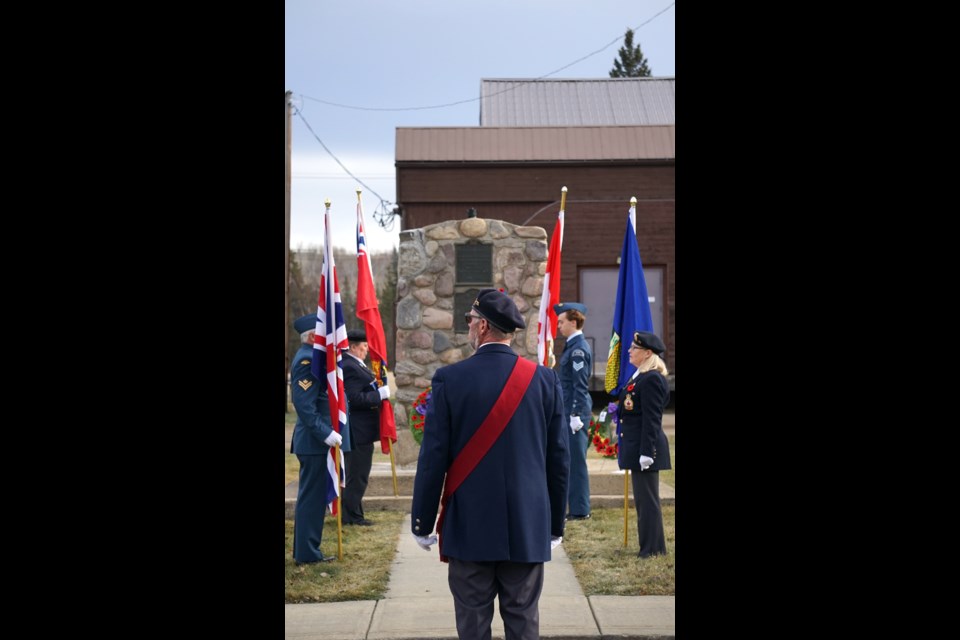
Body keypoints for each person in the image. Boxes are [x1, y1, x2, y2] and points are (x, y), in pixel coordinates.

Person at [411, 288, 570, 640]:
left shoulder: (450, 380)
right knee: (523, 622)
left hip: (470, 524)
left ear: (482, 327)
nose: (467, 325)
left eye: (470, 320)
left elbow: (433, 458)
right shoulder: (544, 380)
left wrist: (422, 521)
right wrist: (555, 522)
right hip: (527, 523)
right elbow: (558, 458)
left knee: (473, 625)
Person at [289, 313, 343, 565]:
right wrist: (326, 433)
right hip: (314, 443)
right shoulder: (306, 360)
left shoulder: (315, 358)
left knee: (312, 497)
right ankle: (308, 554)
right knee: (311, 499)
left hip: (317, 442)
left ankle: (306, 550)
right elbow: (305, 407)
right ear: (312, 336)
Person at [616, 330, 672, 558]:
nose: (629, 351)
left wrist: (647, 451)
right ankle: (650, 546)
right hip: (638, 446)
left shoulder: (652, 378)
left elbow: (652, 418)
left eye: (634, 348)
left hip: (646, 448)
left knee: (648, 502)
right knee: (643, 501)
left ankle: (653, 549)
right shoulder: (640, 376)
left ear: (648, 352)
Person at [340, 328, 391, 526]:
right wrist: (380, 395)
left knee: (358, 474)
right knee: (357, 475)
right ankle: (351, 516)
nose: (367, 350)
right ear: (353, 347)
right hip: (357, 431)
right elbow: (352, 399)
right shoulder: (350, 366)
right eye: (363, 347)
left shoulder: (356, 364)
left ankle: (353, 513)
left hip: (361, 431)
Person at [553, 301, 593, 521]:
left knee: (576, 462)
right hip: (569, 410)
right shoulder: (571, 345)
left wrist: (576, 414)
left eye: (562, 321)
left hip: (574, 412)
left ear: (574, 322)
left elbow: (580, 385)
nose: (559, 326)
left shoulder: (578, 349)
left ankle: (580, 510)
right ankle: (576, 506)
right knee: (571, 460)